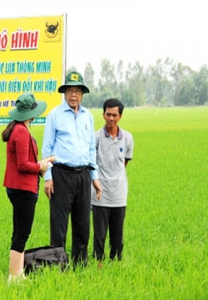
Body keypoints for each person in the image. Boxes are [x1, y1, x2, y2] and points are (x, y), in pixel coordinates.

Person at [42, 71, 102, 268]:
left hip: (83, 175)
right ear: (64, 93)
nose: (73, 95)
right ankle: (58, 266)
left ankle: (80, 264)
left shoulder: (88, 117)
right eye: (70, 91)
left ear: (83, 94)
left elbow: (91, 148)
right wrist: (48, 177)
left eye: (77, 91)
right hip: (61, 174)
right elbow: (47, 149)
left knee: (82, 222)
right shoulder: (54, 116)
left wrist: (94, 176)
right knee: (59, 224)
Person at [2, 92, 56, 283]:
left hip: (18, 187)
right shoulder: (21, 132)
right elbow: (23, 165)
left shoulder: (18, 128)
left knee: (19, 231)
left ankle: (17, 273)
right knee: (22, 232)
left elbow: (24, 162)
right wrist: (41, 166)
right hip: (23, 190)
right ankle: (15, 276)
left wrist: (41, 163)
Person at [91, 98, 134, 268]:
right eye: (108, 114)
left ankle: (116, 262)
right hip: (100, 193)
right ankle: (98, 262)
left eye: (114, 115)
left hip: (119, 193)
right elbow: (92, 164)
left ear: (120, 116)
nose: (111, 118)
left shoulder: (128, 138)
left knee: (118, 233)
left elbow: (124, 163)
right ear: (103, 115)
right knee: (99, 234)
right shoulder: (95, 138)